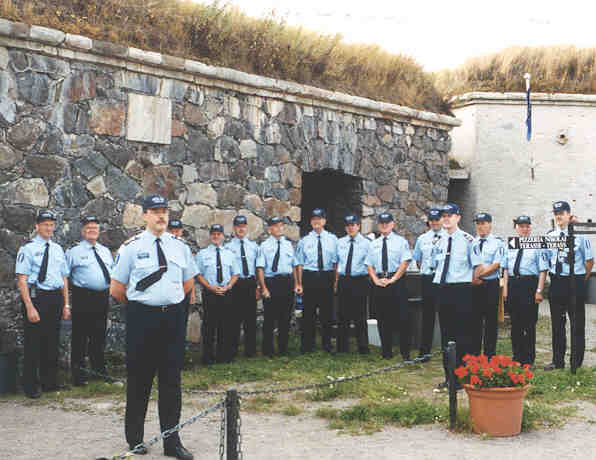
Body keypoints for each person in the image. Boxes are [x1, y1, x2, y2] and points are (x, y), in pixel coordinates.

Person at [110, 194, 197, 459]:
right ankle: (135, 439)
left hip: (171, 319)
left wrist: (167, 303)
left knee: (171, 380)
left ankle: (172, 443)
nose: (161, 216)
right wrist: (142, 307)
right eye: (155, 211)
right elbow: (117, 289)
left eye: (164, 211)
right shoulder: (132, 247)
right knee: (139, 380)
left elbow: (187, 283)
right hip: (142, 319)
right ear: (145, 215)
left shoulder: (180, 246)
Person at [16, 210, 70, 399]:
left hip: (54, 298)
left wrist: (66, 304)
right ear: (37, 226)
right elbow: (22, 280)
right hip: (36, 297)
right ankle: (30, 385)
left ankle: (50, 383)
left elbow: (63, 277)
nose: (49, 228)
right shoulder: (28, 249)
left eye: (51, 224)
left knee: (52, 341)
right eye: (45, 224)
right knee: (33, 342)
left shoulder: (57, 249)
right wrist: (30, 306)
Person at [431, 203, 482, 389]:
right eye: (444, 215)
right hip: (442, 289)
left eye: (450, 215)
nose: (446, 218)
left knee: (462, 334)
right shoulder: (437, 240)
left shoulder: (469, 240)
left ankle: (462, 376)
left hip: (461, 290)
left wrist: (468, 287)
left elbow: (478, 268)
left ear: (458, 217)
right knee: (446, 334)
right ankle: (449, 376)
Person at [544, 201, 594, 371]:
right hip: (557, 281)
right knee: (557, 324)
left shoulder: (580, 236)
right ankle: (558, 361)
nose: (559, 216)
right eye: (556, 213)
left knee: (577, 323)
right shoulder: (550, 236)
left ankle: (576, 362)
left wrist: (581, 279)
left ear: (569, 214)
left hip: (575, 281)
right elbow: (547, 258)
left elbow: (589, 261)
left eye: (562, 212)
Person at [66, 216, 114, 386]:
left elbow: (112, 273)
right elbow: (65, 276)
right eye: (88, 228)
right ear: (82, 231)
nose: (92, 230)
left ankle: (99, 372)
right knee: (80, 336)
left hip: (102, 296)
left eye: (95, 227)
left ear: (99, 231)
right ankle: (79, 376)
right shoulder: (74, 252)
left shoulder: (105, 251)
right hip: (83, 297)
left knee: (99, 335)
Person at [502, 216, 548, 366]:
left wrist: (539, 290)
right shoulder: (510, 245)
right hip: (514, 284)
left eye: (527, 226)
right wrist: (505, 289)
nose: (524, 229)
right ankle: (517, 357)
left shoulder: (536, 245)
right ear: (516, 228)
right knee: (515, 324)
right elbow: (506, 269)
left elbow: (542, 270)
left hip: (529, 284)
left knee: (529, 324)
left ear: (530, 228)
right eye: (521, 226)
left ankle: (528, 360)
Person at [365, 212, 412, 360]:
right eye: (382, 223)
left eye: (387, 223)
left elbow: (405, 262)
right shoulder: (373, 244)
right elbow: (369, 264)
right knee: (383, 318)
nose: (384, 225)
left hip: (396, 282)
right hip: (379, 282)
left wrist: (393, 279)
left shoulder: (401, 242)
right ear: (379, 226)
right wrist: (375, 280)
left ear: (393, 224)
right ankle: (386, 351)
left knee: (403, 318)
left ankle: (405, 352)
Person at [294, 208, 338, 353]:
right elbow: (299, 263)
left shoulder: (333, 240)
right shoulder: (304, 241)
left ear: (324, 221)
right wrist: (299, 283)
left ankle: (327, 344)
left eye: (319, 219)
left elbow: (336, 263)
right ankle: (307, 345)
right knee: (308, 313)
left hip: (327, 276)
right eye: (314, 219)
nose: (316, 222)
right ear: (310, 222)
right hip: (310, 277)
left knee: (327, 313)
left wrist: (336, 282)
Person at [195, 224, 240, 364]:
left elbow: (235, 274)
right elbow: (198, 274)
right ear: (210, 236)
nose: (216, 236)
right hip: (210, 293)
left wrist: (228, 286)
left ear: (223, 236)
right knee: (209, 325)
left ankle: (223, 356)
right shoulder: (202, 254)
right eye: (213, 234)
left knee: (226, 325)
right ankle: (207, 357)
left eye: (218, 234)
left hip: (226, 293)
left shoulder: (229, 254)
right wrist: (210, 287)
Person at [256, 216, 297, 356]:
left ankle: (283, 348)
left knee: (285, 317)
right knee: (269, 318)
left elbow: (294, 266)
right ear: (269, 229)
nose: (279, 228)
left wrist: (297, 283)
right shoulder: (264, 246)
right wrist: (263, 287)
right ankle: (268, 349)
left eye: (281, 226)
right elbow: (260, 268)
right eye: (275, 226)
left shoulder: (288, 245)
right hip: (271, 282)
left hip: (286, 282)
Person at [412, 208, 445, 361]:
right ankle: (424, 352)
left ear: (442, 220)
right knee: (427, 316)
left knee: (446, 316)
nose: (434, 223)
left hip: (444, 280)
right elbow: (418, 260)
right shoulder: (422, 238)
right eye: (431, 220)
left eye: (437, 219)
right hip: (427, 279)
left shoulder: (448, 237)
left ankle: (447, 350)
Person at [335, 213, 371, 354]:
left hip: (360, 280)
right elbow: (337, 263)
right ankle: (342, 348)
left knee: (360, 315)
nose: (351, 228)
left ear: (358, 226)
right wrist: (336, 281)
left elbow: (370, 264)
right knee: (342, 315)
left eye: (353, 225)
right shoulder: (340, 242)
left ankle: (363, 347)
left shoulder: (367, 243)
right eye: (348, 226)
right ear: (346, 227)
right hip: (344, 280)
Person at [471, 212, 505, 358]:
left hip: (490, 283)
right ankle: (475, 352)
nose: (480, 226)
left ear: (490, 224)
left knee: (491, 320)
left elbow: (497, 264)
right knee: (474, 319)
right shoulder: (472, 242)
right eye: (478, 223)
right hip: (474, 284)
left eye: (483, 223)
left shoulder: (498, 242)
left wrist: (479, 275)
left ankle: (490, 354)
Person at [225, 215, 259, 358]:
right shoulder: (227, 247)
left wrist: (258, 287)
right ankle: (232, 351)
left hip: (250, 283)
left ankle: (250, 351)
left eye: (243, 226)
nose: (241, 228)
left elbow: (258, 268)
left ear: (247, 227)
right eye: (238, 226)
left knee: (250, 319)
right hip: (236, 284)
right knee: (234, 319)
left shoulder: (254, 247)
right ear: (234, 229)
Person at [167, 219, 195, 329]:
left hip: (183, 292)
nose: (174, 234)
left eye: (177, 231)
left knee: (181, 325)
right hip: (168, 293)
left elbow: (190, 272)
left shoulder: (185, 248)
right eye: (171, 231)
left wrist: (192, 293)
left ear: (181, 231)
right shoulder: (162, 247)